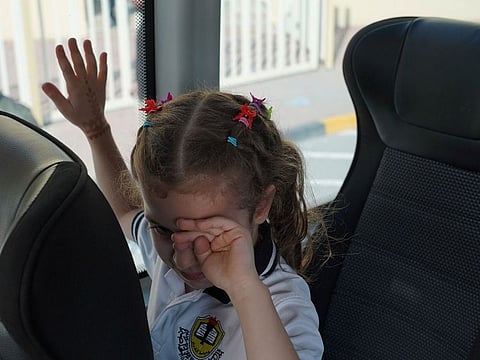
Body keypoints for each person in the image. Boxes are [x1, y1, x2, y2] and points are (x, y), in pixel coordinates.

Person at [42, 38, 324, 359]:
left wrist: (244, 289)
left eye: (209, 235)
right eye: (162, 230)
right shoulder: (172, 249)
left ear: (261, 205)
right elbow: (126, 211)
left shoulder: (283, 305)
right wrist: (95, 129)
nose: (183, 260)